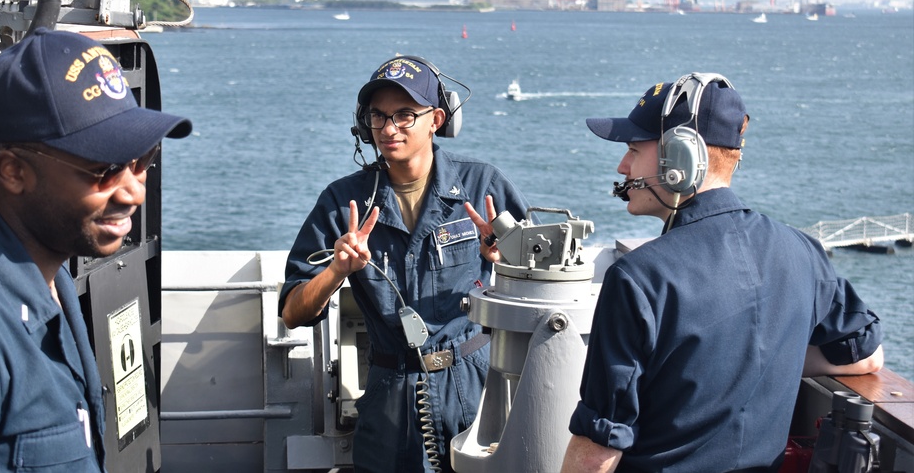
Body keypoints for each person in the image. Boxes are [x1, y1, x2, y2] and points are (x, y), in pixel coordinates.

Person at [561, 72, 884, 473]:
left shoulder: (638, 279)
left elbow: (598, 450)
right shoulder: (803, 251)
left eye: (633, 149)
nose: (622, 166)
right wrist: (765, 356)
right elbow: (867, 356)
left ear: (679, 157)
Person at [0, 27, 191, 472]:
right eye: (106, 169)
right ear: (13, 170)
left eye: (143, 160)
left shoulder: (51, 273)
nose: (134, 191)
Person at [279, 55, 529, 473]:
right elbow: (292, 312)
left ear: (436, 119)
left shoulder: (483, 187)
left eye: (404, 115)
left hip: (477, 389)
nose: (389, 129)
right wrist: (336, 272)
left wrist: (505, 265)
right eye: (378, 117)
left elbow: (540, 286)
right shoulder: (344, 203)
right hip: (389, 398)